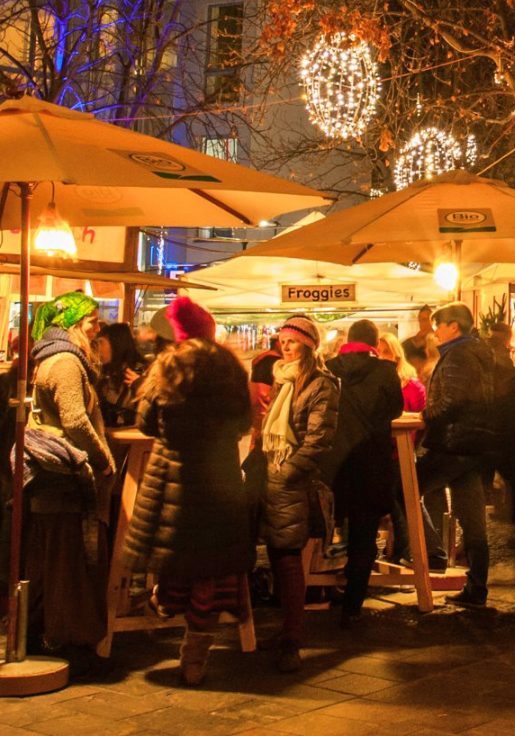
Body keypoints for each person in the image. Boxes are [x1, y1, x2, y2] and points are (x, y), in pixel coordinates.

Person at [123, 297, 253, 685]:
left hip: (172, 481)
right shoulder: (231, 369)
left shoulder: (167, 366)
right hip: (219, 481)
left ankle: (161, 604)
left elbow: (146, 423)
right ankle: (194, 657)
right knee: (210, 573)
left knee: (172, 559)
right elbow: (244, 424)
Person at [24, 291, 115, 675]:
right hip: (63, 477)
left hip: (54, 478)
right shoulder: (64, 362)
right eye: (91, 321)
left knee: (53, 560)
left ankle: (46, 635)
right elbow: (75, 421)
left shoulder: (57, 359)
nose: (97, 328)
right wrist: (103, 459)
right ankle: (67, 642)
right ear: (72, 324)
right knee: (67, 562)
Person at [259, 314, 339, 671]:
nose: (284, 346)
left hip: (291, 481)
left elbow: (318, 439)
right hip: (271, 475)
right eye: (281, 339)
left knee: (289, 558)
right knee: (277, 557)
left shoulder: (321, 384)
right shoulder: (283, 379)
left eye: (291, 341)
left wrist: (288, 471)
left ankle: (292, 640)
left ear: (307, 345)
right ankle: (284, 632)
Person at [324, 319, 405, 627]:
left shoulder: (330, 368)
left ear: (348, 340)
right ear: (373, 343)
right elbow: (395, 410)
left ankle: (319, 590)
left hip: (334, 465)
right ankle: (353, 605)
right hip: (371, 463)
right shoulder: (385, 371)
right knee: (364, 536)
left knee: (327, 528)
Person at [419, 302, 495, 609]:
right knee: (473, 519)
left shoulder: (459, 355)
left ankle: (432, 555)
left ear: (455, 327)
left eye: (439, 324)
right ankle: (477, 587)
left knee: (401, 491)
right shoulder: (477, 353)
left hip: (451, 445)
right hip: (472, 446)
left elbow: (450, 400)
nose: (435, 330)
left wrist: (426, 415)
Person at [93, 320, 146, 429]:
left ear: (116, 344)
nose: (98, 348)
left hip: (132, 440)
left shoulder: (137, 373)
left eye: (101, 342)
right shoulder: (106, 372)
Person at [377, 332, 428, 412]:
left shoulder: (413, 386)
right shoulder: (372, 384)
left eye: (386, 352)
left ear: (396, 356)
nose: (381, 357)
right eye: (377, 353)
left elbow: (421, 420)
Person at [403, 304, 439, 382]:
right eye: (420, 320)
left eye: (425, 320)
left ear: (432, 321)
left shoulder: (439, 341)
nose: (422, 323)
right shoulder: (408, 344)